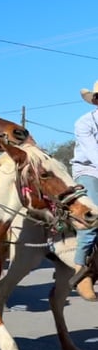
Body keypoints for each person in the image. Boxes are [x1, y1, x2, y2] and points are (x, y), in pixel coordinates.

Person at [70, 80, 98, 301]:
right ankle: (80, 270)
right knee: (93, 217)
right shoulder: (84, 124)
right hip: (88, 171)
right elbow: (94, 154)